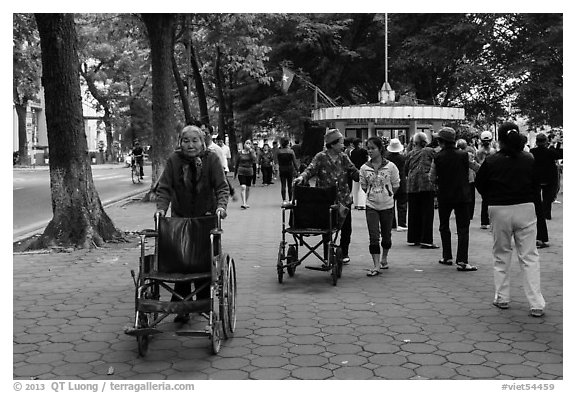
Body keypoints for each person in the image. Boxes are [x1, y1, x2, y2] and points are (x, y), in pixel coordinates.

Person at [155, 125, 229, 323]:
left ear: (202, 142)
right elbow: (164, 188)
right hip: (180, 216)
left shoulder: (211, 159)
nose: (190, 145)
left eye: (195, 140)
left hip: (205, 217)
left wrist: (221, 207)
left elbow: (222, 187)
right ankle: (181, 305)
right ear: (180, 142)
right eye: (186, 141)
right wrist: (161, 209)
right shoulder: (174, 160)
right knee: (181, 259)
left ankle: (202, 301)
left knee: (202, 260)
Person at [475, 121, 545, 318]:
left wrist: (493, 197)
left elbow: (480, 184)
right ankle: (536, 302)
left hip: (499, 209)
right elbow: (536, 184)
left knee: (501, 254)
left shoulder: (492, 161)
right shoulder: (529, 159)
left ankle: (502, 297)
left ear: (501, 139)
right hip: (525, 208)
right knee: (529, 256)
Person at [294, 129, 360, 265]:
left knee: (346, 228)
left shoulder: (343, 157)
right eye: (341, 142)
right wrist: (301, 177)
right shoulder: (321, 156)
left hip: (344, 199)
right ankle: (327, 255)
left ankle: (344, 252)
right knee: (327, 228)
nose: (343, 145)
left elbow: (353, 171)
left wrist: (364, 175)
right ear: (333, 144)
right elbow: (310, 169)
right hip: (325, 199)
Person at [429, 128, 476, 271]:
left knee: (444, 226)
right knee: (463, 228)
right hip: (462, 195)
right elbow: (475, 168)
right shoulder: (464, 155)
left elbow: (431, 177)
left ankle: (447, 256)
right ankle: (462, 260)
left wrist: (438, 183)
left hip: (444, 195)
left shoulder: (437, 156)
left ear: (441, 141)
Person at [359, 137, 400, 276]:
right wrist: (372, 194)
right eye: (368, 148)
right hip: (371, 205)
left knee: (387, 236)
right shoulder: (364, 168)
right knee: (374, 236)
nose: (370, 151)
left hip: (387, 205)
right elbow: (363, 186)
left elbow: (396, 184)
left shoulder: (391, 166)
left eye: (372, 148)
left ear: (380, 149)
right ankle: (376, 265)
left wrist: (388, 195)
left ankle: (384, 258)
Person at [404, 132, 439, 249]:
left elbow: (406, 168)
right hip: (426, 184)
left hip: (412, 185)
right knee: (427, 213)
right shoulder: (429, 151)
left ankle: (414, 237)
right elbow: (438, 162)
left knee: (414, 212)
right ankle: (426, 240)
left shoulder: (409, 154)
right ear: (424, 142)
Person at [384, 138, 407, 231]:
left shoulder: (386, 158)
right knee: (402, 204)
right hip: (401, 182)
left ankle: (392, 223)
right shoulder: (403, 158)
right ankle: (402, 223)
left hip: (389, 182)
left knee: (390, 204)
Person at [476, 131, 497, 229]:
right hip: (490, 176)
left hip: (483, 177)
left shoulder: (480, 152)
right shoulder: (493, 151)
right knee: (490, 200)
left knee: (485, 200)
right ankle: (489, 220)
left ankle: (485, 221)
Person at [457, 139, 480, 220]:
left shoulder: (456, 154)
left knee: (461, 196)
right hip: (470, 178)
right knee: (471, 197)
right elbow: (475, 165)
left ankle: (461, 213)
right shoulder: (469, 154)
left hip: (460, 179)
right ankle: (470, 214)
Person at [234, 140, 257, 209]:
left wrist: (251, 151)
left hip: (249, 171)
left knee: (247, 188)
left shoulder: (252, 152)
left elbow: (254, 159)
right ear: (244, 144)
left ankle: (246, 202)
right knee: (243, 187)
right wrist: (235, 173)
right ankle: (243, 203)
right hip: (241, 171)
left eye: (249, 143)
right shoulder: (240, 153)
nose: (248, 144)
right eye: (246, 143)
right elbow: (237, 163)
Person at [276, 136, 299, 202]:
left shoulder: (279, 152)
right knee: (290, 185)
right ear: (287, 143)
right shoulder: (291, 151)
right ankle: (290, 200)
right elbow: (294, 162)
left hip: (282, 168)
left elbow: (277, 161)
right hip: (289, 169)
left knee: (283, 185)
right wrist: (298, 170)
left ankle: (284, 200)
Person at [350, 138, 369, 210]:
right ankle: (361, 204)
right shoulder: (363, 151)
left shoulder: (352, 152)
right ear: (359, 144)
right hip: (362, 170)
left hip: (355, 170)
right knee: (362, 187)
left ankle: (356, 203)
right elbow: (367, 159)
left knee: (355, 187)